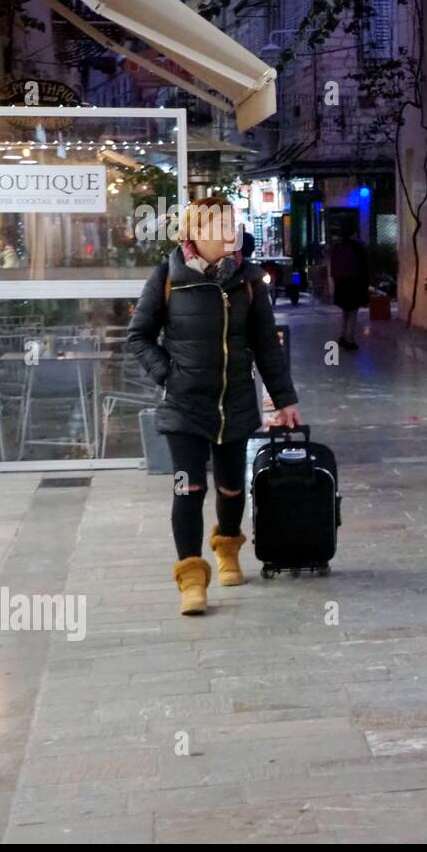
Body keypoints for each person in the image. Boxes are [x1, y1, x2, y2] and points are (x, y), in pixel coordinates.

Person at [127, 196, 301, 617]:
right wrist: (169, 375)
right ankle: (191, 579)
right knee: (188, 489)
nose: (231, 231)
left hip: (235, 404)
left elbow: (265, 345)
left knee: (230, 487)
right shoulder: (168, 276)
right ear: (195, 234)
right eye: (220, 224)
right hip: (185, 408)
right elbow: (139, 337)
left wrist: (285, 400)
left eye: (233, 223)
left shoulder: (247, 280)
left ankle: (227, 546)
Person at [329, 220, 369, 351]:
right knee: (353, 313)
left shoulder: (338, 247)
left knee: (345, 312)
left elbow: (334, 266)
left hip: (341, 283)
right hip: (354, 283)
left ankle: (343, 336)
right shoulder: (357, 247)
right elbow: (363, 266)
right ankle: (349, 339)